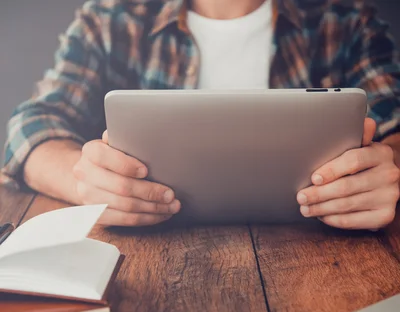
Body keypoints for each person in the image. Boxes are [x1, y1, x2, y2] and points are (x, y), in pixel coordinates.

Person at [2, 0, 400, 230]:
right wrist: (83, 181)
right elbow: (29, 126)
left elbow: (395, 126)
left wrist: (386, 168)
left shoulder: (346, 21)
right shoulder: (112, 19)